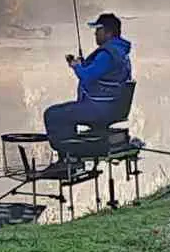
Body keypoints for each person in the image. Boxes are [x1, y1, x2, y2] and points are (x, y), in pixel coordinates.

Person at [43, 12, 134, 153]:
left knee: (53, 114)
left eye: (98, 30)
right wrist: (83, 64)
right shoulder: (120, 52)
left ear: (108, 33)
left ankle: (68, 158)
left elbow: (86, 76)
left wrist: (76, 65)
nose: (96, 34)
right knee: (65, 113)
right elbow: (101, 74)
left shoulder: (107, 54)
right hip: (110, 107)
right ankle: (72, 154)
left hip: (100, 109)